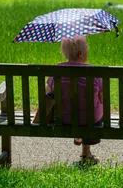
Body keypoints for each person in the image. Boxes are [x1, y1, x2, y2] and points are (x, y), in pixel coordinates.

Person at [45, 36, 103, 164]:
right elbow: (102, 98)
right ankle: (84, 147)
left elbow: (48, 94)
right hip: (91, 120)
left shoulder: (56, 70)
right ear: (81, 54)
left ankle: (83, 148)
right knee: (90, 110)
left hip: (64, 119)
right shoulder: (94, 71)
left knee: (75, 110)